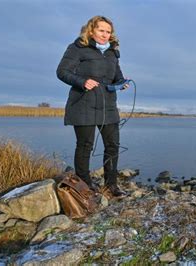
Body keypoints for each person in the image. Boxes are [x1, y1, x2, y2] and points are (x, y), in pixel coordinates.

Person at [57, 15, 128, 197]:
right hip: (83, 103)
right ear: (91, 30)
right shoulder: (78, 48)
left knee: (113, 145)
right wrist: (82, 81)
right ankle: (84, 184)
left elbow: (117, 76)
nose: (105, 35)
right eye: (101, 30)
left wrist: (122, 82)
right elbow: (62, 72)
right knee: (85, 145)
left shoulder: (112, 52)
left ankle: (111, 185)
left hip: (108, 105)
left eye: (108, 31)